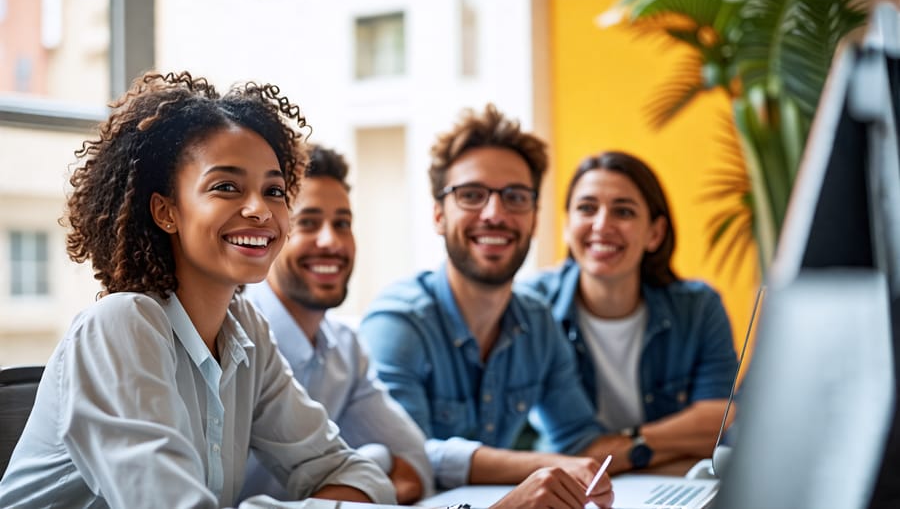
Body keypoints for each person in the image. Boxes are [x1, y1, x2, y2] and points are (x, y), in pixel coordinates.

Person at [0, 72, 394, 508]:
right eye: (226, 187)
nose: (259, 210)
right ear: (166, 211)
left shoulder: (246, 334)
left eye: (274, 191)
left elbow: (357, 475)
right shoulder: (119, 325)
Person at [358, 103, 614, 509]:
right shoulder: (398, 323)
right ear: (439, 214)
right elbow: (411, 462)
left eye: (515, 197)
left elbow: (580, 440)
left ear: (534, 216)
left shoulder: (537, 320)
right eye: (472, 195)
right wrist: (552, 466)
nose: (495, 214)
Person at [520, 151, 738, 474]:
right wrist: (665, 444)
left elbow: (719, 421)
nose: (602, 225)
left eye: (623, 211)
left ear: (655, 233)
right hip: (573, 491)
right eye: (586, 208)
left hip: (670, 484)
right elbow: (574, 451)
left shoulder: (699, 307)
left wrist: (629, 446)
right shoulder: (532, 308)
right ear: (567, 226)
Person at [237, 144, 432, 504]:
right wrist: (374, 480)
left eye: (342, 223)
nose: (331, 241)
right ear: (271, 231)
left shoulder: (345, 350)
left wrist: (369, 484)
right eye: (308, 223)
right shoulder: (228, 337)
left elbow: (414, 462)